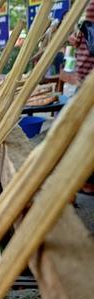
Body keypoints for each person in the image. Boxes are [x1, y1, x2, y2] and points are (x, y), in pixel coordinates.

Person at [69, 0, 94, 194]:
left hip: (89, 85)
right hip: (84, 81)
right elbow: (81, 38)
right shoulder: (85, 19)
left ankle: (87, 182)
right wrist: (77, 37)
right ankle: (85, 181)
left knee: (85, 134)